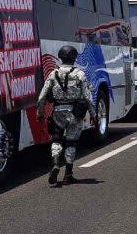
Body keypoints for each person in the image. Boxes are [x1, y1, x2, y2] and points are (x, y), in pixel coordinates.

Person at [37, 46, 96, 185]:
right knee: (71, 142)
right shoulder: (79, 74)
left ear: (61, 57)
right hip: (75, 113)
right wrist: (93, 114)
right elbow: (87, 97)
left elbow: (42, 97)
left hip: (57, 112)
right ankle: (68, 174)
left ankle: (55, 163)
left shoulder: (53, 74)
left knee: (56, 139)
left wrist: (40, 113)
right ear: (74, 58)